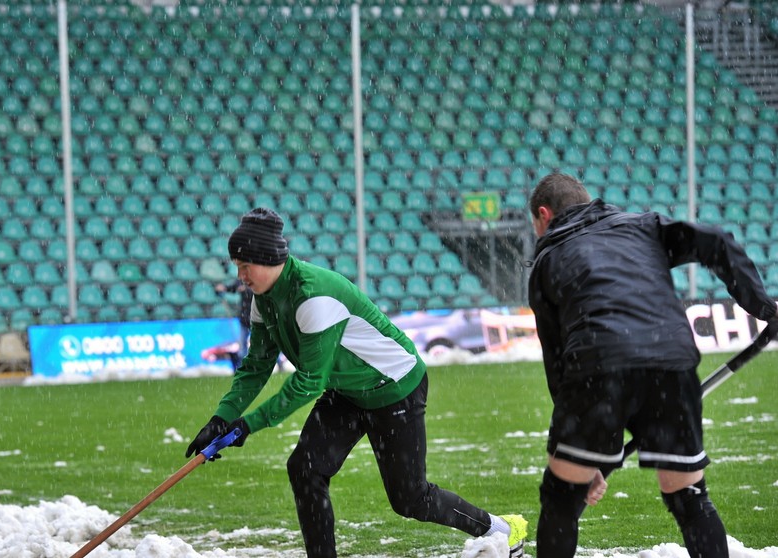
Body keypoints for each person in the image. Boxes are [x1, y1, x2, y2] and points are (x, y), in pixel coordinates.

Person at [186, 207, 527, 558]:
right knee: (304, 468)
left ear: (268, 259)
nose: (240, 275)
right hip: (348, 392)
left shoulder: (313, 296)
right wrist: (221, 419)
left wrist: (248, 425)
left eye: (245, 266)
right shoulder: (264, 299)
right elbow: (256, 366)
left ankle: (502, 529)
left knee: (411, 499)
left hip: (394, 388)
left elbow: (308, 381)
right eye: (237, 267)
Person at [526, 172, 777, 557]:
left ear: (544, 215)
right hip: (671, 362)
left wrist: (581, 452)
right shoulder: (643, 226)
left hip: (596, 365)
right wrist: (762, 307)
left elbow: (558, 364)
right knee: (690, 500)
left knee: (560, 501)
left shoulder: (547, 259)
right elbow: (718, 242)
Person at [214, 278, 252, 371]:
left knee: (262, 344)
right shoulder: (245, 278)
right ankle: (243, 368)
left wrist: (247, 289)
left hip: (257, 319)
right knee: (243, 347)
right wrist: (224, 288)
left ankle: (277, 364)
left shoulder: (256, 279)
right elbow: (234, 287)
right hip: (245, 318)